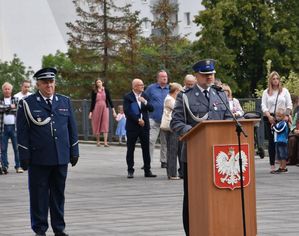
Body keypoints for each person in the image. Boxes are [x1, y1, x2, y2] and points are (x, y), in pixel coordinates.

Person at [170, 59, 231, 235]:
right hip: (194, 155)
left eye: (211, 74)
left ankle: (216, 228)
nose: (209, 78)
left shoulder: (220, 94)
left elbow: (227, 117)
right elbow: (177, 122)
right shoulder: (185, 95)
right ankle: (192, 231)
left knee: (217, 195)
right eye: (205, 75)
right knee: (193, 198)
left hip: (218, 156)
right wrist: (196, 133)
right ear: (197, 76)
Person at [16, 67, 79, 236]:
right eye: (45, 82)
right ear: (38, 84)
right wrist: (24, 155)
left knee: (58, 194)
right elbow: (22, 133)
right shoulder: (27, 103)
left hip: (60, 156)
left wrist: (74, 150)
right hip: (39, 158)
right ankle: (40, 229)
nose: (49, 85)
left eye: (51, 82)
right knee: (39, 196)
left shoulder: (64, 101)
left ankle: (59, 228)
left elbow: (72, 128)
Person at [123, 78, 157, 178]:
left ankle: (147, 170)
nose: (143, 86)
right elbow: (127, 111)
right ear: (134, 86)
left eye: (143, 84)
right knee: (131, 148)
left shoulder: (145, 96)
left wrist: (145, 102)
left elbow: (151, 108)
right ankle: (130, 170)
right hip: (133, 126)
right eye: (140, 85)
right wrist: (138, 120)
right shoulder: (128, 97)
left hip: (144, 126)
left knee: (146, 148)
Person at [261, 71, 292, 173]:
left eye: (277, 78)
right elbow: (263, 105)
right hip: (270, 119)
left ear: (279, 80)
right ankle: (272, 165)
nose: (275, 81)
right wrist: (269, 116)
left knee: (282, 141)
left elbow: (289, 104)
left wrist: (286, 115)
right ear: (270, 80)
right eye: (273, 79)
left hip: (282, 119)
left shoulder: (284, 91)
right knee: (272, 142)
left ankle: (283, 165)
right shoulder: (266, 92)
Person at [144, 70, 169, 168]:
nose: (165, 78)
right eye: (162, 76)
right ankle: (148, 161)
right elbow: (144, 100)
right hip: (153, 119)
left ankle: (164, 161)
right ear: (158, 78)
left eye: (166, 76)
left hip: (166, 120)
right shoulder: (151, 88)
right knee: (150, 140)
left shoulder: (170, 88)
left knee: (165, 142)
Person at [160, 82, 183, 180]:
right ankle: (172, 173)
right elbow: (179, 109)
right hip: (171, 127)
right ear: (176, 91)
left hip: (174, 127)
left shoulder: (171, 98)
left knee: (175, 149)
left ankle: (174, 172)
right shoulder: (169, 99)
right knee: (172, 150)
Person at [0, 82, 22, 174]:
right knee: (3, 149)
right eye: (5, 89)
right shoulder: (0, 100)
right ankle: (5, 166)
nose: (7, 90)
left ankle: (18, 166)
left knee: (16, 148)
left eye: (8, 89)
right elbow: (0, 108)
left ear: (11, 90)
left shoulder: (16, 99)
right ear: (3, 90)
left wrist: (5, 108)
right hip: (3, 128)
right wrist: (10, 107)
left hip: (14, 127)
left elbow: (16, 109)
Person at [89, 78, 116, 147]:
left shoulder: (106, 90)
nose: (98, 83)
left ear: (102, 82)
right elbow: (92, 102)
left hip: (105, 108)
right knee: (97, 123)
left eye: (99, 82)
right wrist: (90, 112)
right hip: (96, 108)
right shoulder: (94, 91)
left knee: (105, 123)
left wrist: (113, 111)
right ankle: (98, 142)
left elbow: (110, 100)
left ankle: (105, 142)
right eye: (97, 82)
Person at [272, 108, 289, 173]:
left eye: (280, 116)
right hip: (277, 141)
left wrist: (274, 127)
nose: (278, 118)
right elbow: (274, 131)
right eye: (277, 116)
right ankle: (280, 166)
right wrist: (273, 127)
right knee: (279, 155)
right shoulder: (278, 123)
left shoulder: (283, 123)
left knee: (283, 155)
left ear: (284, 116)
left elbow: (279, 130)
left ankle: (283, 167)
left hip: (282, 141)